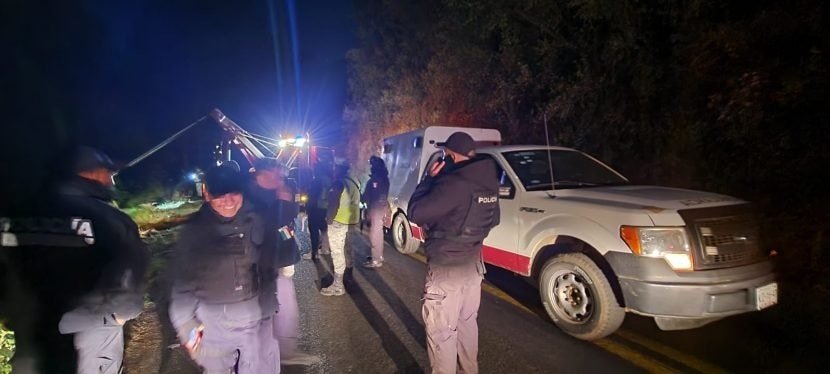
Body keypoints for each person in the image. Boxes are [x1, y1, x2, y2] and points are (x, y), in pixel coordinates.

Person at [1, 146, 148, 373]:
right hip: (92, 332)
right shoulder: (111, 220)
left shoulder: (16, 214)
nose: (111, 179)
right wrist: (120, 316)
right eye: (108, 173)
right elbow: (131, 275)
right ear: (93, 173)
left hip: (32, 333)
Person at [168, 164, 278, 373]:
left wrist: (268, 305)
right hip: (214, 324)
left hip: (256, 317)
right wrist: (190, 335)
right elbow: (181, 288)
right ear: (206, 194)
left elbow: (269, 265)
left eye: (234, 193)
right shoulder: (195, 231)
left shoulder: (258, 219)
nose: (228, 201)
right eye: (220, 194)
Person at [407, 132, 500, 374]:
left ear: (450, 155)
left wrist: (428, 180)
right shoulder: (487, 180)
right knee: (467, 323)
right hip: (473, 265)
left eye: (446, 155)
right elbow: (494, 219)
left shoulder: (453, 183)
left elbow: (416, 212)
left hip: (447, 267)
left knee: (441, 332)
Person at [249, 159, 318, 366]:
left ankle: (283, 350)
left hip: (281, 257)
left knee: (285, 305)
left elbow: (288, 223)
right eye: (277, 175)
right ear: (264, 174)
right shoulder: (252, 197)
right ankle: (276, 354)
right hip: (266, 264)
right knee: (273, 308)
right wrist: (284, 202)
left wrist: (287, 201)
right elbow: (268, 227)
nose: (281, 179)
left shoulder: (274, 193)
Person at [319, 161, 361, 296]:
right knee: (347, 249)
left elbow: (333, 203)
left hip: (339, 221)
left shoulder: (338, 183)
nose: (333, 169)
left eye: (334, 167)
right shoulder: (354, 181)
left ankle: (338, 285)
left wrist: (328, 219)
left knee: (337, 252)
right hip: (351, 221)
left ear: (338, 169)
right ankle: (348, 276)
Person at [361, 156, 390, 268]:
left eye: (372, 165)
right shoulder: (384, 178)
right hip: (380, 209)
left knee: (374, 234)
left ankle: (376, 260)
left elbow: (369, 196)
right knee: (378, 233)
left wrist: (362, 199)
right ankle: (378, 255)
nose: (371, 167)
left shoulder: (376, 179)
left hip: (375, 209)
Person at [306, 162, 332, 260]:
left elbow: (313, 196)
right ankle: (325, 249)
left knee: (314, 230)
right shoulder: (329, 180)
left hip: (316, 208)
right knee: (324, 228)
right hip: (326, 208)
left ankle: (314, 252)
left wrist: (308, 208)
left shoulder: (316, 181)